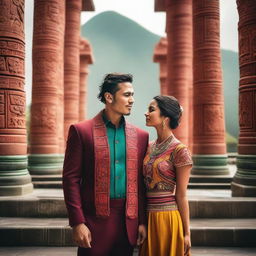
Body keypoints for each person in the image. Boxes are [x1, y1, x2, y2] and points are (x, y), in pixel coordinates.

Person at [63, 73, 149, 256]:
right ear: (109, 97)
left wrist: (142, 221)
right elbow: (70, 180)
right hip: (93, 222)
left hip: (128, 222)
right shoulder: (81, 131)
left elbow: (140, 184)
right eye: (127, 95)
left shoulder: (141, 136)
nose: (132, 100)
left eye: (133, 95)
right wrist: (77, 222)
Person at [140, 95, 192, 256]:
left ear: (166, 117)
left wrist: (187, 233)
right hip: (148, 217)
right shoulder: (147, 147)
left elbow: (182, 195)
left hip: (168, 217)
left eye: (151, 109)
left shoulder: (180, 151)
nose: (146, 113)